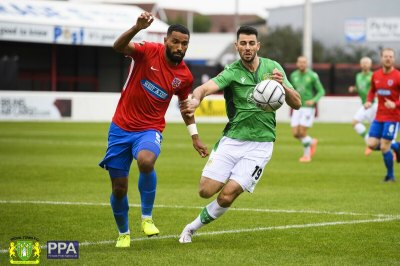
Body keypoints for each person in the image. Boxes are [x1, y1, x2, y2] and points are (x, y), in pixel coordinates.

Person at [178, 25, 301, 244]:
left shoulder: (273, 68)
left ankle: (191, 228)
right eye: (243, 43)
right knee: (205, 191)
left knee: (227, 194)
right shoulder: (232, 71)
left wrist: (283, 87)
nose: (247, 47)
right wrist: (196, 99)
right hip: (232, 140)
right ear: (237, 46)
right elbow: (204, 88)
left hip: (261, 145)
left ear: (258, 45)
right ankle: (223, 178)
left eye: (251, 43)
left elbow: (297, 103)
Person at [99, 12, 208, 248]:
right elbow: (118, 46)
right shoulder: (147, 51)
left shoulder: (185, 76)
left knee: (146, 161)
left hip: (149, 129)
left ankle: (147, 218)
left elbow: (184, 107)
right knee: (119, 188)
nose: (180, 47)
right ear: (166, 40)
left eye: (184, 43)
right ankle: (124, 234)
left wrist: (195, 137)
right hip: (120, 128)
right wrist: (136, 28)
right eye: (176, 42)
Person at [364, 48, 400, 182]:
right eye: (386, 56)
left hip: (393, 117)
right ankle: (396, 146)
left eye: (391, 57)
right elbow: (372, 90)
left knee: (385, 146)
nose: (388, 59)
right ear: (381, 58)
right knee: (371, 144)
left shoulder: (398, 76)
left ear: (394, 59)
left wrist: (395, 104)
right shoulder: (376, 75)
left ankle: (390, 176)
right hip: (379, 116)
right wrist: (368, 101)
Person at [289, 56, 325, 163]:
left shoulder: (312, 76)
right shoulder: (293, 75)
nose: (302, 64)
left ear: (307, 64)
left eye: (304, 62)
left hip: (308, 108)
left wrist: (314, 100)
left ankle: (307, 156)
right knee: (296, 134)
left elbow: (321, 91)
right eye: (300, 62)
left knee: (302, 132)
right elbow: (291, 90)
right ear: (297, 63)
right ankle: (311, 141)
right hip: (297, 107)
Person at [348, 57, 376, 155]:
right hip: (365, 104)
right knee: (356, 123)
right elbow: (360, 88)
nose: (365, 64)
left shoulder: (373, 75)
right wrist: (354, 89)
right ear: (360, 65)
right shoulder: (358, 76)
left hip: (373, 104)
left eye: (367, 63)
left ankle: (371, 144)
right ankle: (370, 143)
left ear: (370, 65)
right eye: (363, 63)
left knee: (355, 122)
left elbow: (376, 89)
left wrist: (371, 100)